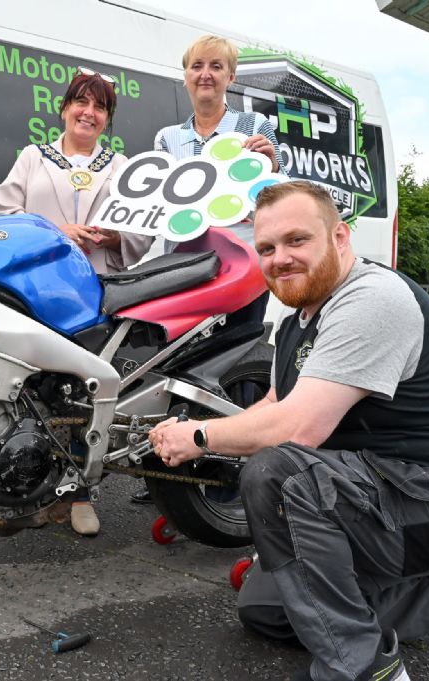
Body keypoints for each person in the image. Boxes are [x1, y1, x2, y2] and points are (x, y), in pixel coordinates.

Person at [148, 180, 429, 681]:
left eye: (297, 240)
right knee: (269, 613)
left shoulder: (373, 299)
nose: (280, 258)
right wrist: (200, 432)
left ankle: (364, 667)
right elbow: (277, 404)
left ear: (340, 237)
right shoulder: (296, 319)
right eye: (267, 249)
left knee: (279, 474)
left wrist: (196, 438)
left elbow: (297, 428)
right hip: (381, 492)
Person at [0, 68, 152, 534]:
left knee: (85, 390)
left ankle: (81, 492)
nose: (89, 112)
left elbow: (142, 229)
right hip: (38, 288)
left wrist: (115, 234)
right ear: (63, 108)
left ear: (107, 119)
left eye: (100, 106)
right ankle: (36, 489)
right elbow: (3, 214)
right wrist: (56, 231)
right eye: (81, 102)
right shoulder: (31, 157)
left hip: (98, 290)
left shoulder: (122, 168)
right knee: (35, 387)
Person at [131, 33, 285, 505]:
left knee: (234, 360)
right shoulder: (167, 138)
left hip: (241, 264)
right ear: (185, 76)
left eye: (216, 66)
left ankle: (231, 468)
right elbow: (158, 200)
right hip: (187, 266)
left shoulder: (255, 125)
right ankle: (164, 468)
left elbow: (272, 194)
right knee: (176, 363)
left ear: (231, 77)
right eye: (197, 65)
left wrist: (272, 162)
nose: (206, 74)